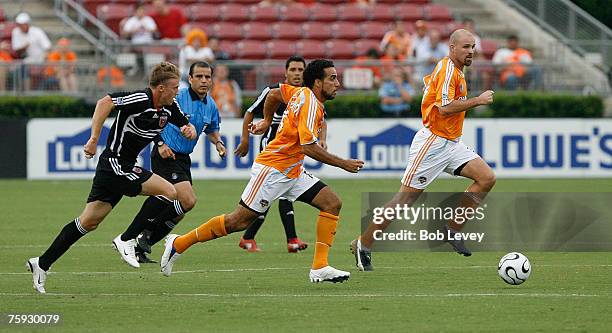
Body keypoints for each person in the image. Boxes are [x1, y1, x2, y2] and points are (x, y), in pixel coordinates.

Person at [160, 59, 365, 283]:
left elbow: (274, 94)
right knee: (237, 222)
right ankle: (178, 244)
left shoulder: (301, 93)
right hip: (273, 170)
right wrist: (343, 163)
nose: (338, 83)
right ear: (318, 82)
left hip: (292, 170)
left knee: (332, 203)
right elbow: (309, 147)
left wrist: (267, 120)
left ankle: (320, 266)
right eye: (332, 78)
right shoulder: (310, 104)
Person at [25, 62, 197, 293]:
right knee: (170, 191)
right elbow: (105, 102)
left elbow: (185, 124)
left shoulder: (169, 107)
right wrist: (94, 138)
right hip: (115, 164)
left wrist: (189, 129)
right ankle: (127, 239)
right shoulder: (140, 99)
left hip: (117, 168)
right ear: (160, 88)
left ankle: (41, 264)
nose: (178, 91)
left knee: (88, 222)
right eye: (175, 87)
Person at [351, 29, 496, 271]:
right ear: (452, 48)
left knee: (486, 178)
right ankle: (362, 244)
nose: (471, 51)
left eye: (473, 47)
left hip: (451, 142)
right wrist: (478, 100)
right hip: (433, 143)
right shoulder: (449, 69)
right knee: (404, 199)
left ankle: (452, 228)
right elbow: (444, 108)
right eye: (466, 47)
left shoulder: (454, 69)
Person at [128, 61, 226, 263]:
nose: (204, 80)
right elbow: (152, 117)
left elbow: (211, 128)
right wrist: (161, 143)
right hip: (166, 154)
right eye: (199, 76)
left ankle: (142, 246)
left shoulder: (211, 105)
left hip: (183, 159)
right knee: (187, 201)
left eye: (207, 77)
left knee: (179, 212)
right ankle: (143, 231)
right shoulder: (177, 96)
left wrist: (218, 142)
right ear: (190, 79)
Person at [234, 56, 313, 253]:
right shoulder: (272, 92)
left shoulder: (307, 95)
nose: (297, 73)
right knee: (277, 194)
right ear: (285, 72)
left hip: (292, 152)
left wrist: (323, 139)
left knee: (277, 195)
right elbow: (250, 112)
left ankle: (251, 238)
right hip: (271, 150)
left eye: (300, 70)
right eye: (293, 69)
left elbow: (322, 120)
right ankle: (289, 240)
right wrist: (244, 140)